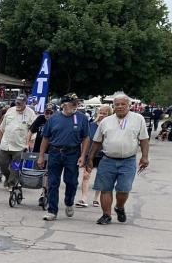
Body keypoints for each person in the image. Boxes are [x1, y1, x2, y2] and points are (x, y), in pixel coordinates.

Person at [86, 93, 149, 225]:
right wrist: (90, 158)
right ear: (113, 106)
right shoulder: (105, 121)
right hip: (107, 160)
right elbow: (97, 141)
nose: (120, 106)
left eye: (123, 104)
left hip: (128, 160)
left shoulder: (138, 119)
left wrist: (144, 157)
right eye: (117, 104)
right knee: (105, 188)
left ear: (129, 105)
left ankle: (119, 207)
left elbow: (143, 139)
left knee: (123, 189)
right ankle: (106, 215)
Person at [37, 93, 90, 221]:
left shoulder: (81, 118)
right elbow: (45, 138)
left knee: (71, 182)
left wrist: (83, 155)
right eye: (72, 103)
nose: (75, 105)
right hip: (55, 152)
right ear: (64, 105)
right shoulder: (53, 118)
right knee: (53, 182)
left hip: (72, 153)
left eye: (76, 103)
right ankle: (52, 211)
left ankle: (69, 202)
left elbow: (86, 138)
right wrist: (41, 156)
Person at [0, 94, 36, 188]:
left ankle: (12, 184)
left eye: (20, 103)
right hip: (5, 145)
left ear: (25, 103)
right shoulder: (10, 110)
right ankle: (8, 177)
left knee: (15, 167)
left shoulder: (30, 113)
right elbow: (2, 127)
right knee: (2, 163)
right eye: (17, 103)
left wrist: (30, 143)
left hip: (20, 146)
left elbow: (33, 131)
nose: (18, 105)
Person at [79, 105, 111, 207]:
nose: (101, 115)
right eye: (100, 112)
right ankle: (84, 198)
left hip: (103, 154)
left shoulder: (110, 126)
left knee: (101, 177)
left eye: (104, 113)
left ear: (109, 115)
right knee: (85, 175)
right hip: (90, 153)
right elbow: (86, 138)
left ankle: (96, 199)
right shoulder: (91, 125)